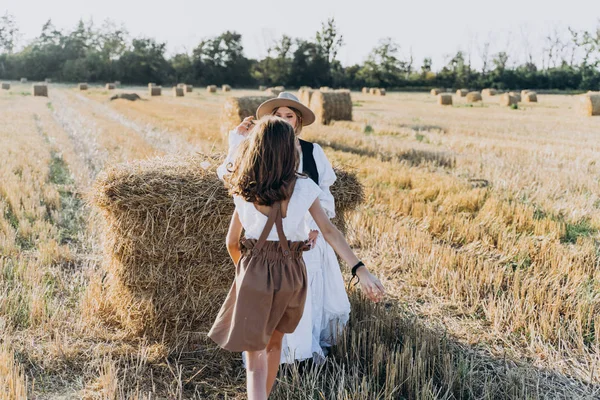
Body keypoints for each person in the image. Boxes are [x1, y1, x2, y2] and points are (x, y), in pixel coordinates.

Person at [209, 116, 385, 400]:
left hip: (253, 271)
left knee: (254, 360)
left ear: (256, 149)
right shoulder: (304, 187)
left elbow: (232, 242)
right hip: (292, 273)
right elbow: (329, 231)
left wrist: (245, 273)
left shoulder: (243, 187)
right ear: (290, 151)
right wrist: (360, 269)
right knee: (275, 345)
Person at [218, 92, 353, 364]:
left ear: (298, 120)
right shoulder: (256, 152)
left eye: (288, 116)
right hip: (277, 240)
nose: (283, 120)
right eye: (276, 116)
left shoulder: (313, 153)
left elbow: (323, 195)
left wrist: (315, 226)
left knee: (306, 297)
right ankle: (277, 359)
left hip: (307, 236)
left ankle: (301, 352)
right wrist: (237, 140)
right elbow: (228, 174)